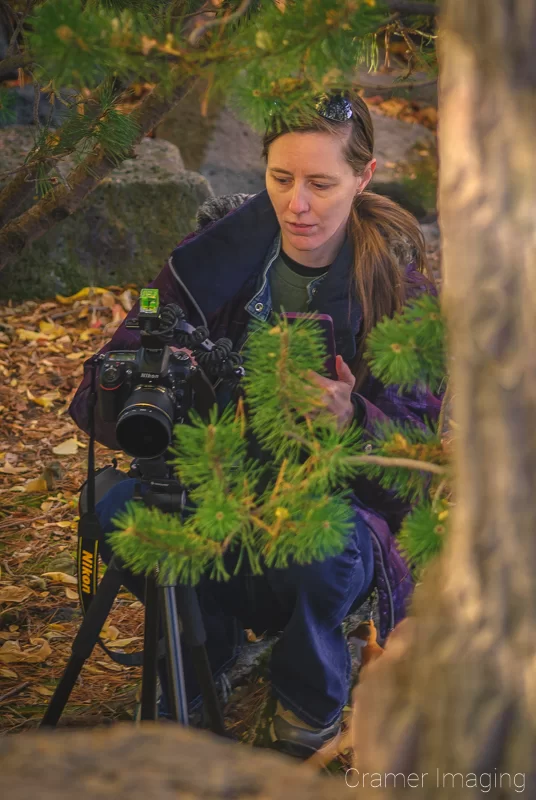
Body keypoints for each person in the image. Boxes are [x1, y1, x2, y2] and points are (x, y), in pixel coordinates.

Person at [69, 92, 442, 758]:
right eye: (280, 178)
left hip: (324, 518)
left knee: (324, 550)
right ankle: (197, 653)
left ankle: (307, 699)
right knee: (114, 503)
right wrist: (164, 380)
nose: (297, 202)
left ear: (364, 176)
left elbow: (418, 468)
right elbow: (107, 386)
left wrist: (352, 416)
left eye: (322, 183)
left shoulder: (396, 284)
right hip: (210, 496)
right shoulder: (214, 254)